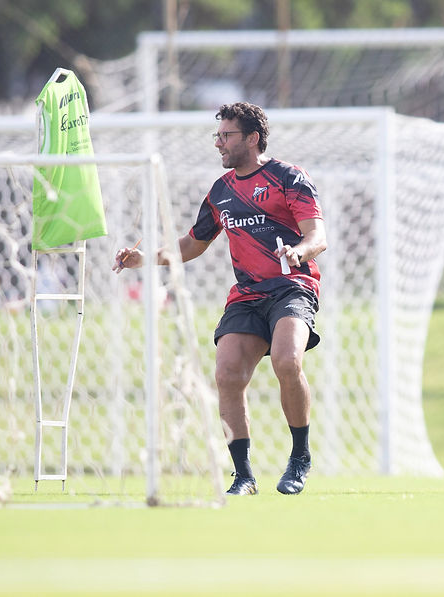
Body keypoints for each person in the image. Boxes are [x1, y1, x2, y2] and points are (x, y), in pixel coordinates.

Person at [113, 102, 327, 496]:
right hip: (247, 295)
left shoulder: (289, 178)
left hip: (291, 287)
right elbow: (194, 244)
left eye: (226, 136)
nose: (218, 144)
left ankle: (300, 457)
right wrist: (145, 259)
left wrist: (299, 252)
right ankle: (243, 476)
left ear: (252, 138)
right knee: (227, 373)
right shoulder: (220, 191)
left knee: (287, 359)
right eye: (217, 136)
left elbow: (318, 236)